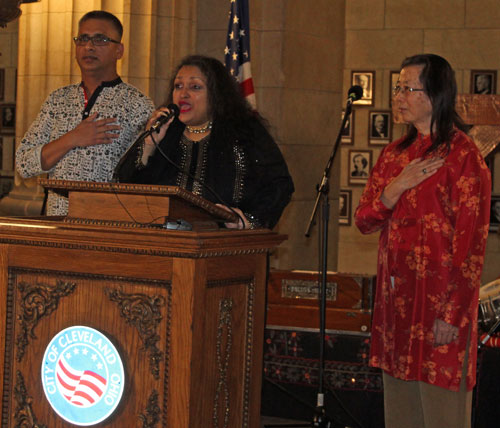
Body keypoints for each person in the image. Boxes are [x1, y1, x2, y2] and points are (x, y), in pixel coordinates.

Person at [355, 54, 491, 428]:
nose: (398, 96)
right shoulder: (392, 155)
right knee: (401, 415)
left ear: (435, 95)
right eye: (396, 88)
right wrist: (394, 189)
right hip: (397, 306)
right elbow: (364, 220)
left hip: (440, 310)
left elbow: (471, 245)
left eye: (407, 88)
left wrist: (453, 313)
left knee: (442, 414)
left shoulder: (463, 157)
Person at [116, 55, 294, 229]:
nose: (183, 94)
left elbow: (278, 185)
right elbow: (124, 187)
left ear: (216, 94)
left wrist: (248, 219)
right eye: (178, 86)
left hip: (225, 246)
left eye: (195, 87)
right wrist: (149, 143)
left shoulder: (243, 131)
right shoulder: (165, 133)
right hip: (165, 244)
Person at [16, 10, 154, 215]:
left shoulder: (138, 105)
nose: (89, 47)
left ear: (119, 51)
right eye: (83, 39)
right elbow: (24, 164)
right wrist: (73, 138)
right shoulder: (58, 100)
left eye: (100, 39)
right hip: (57, 219)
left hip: (107, 223)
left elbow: (144, 174)